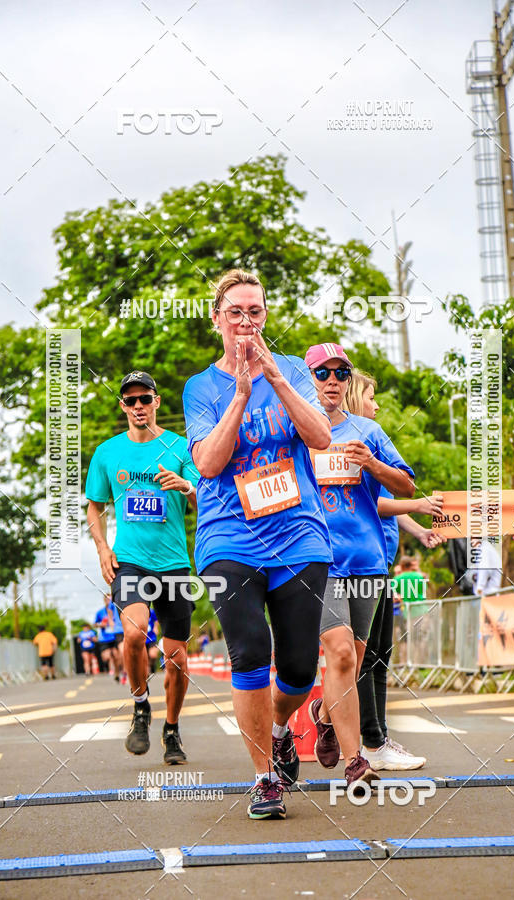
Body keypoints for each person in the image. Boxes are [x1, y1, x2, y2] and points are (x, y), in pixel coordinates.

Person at [183, 269, 333, 821]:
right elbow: (208, 463)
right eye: (235, 312)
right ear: (217, 319)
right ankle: (264, 778)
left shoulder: (291, 368)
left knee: (298, 666)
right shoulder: (201, 387)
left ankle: (280, 728)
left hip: (298, 533)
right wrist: (242, 394)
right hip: (229, 536)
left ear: (265, 316)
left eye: (255, 311)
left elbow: (320, 437)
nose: (246, 321)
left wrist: (274, 378)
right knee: (249, 651)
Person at [304, 343, 415, 782]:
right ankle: (357, 762)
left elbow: (406, 486)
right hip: (317, 560)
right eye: (322, 373)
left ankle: (323, 714)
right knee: (340, 651)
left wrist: (372, 464)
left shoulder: (367, 430)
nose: (332, 381)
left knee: (354, 659)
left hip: (367, 560)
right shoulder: (294, 431)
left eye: (340, 374)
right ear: (309, 380)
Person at [86, 370, 200, 765]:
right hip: (130, 562)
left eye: (145, 399)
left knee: (177, 658)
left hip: (174, 564)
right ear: (123, 406)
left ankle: (172, 729)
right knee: (134, 633)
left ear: (157, 402)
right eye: (131, 400)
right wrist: (102, 548)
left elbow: (204, 498)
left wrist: (185, 486)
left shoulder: (180, 448)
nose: (138, 406)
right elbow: (95, 507)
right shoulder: (107, 452)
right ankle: (140, 706)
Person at [347, 369, 444, 770]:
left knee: (380, 654)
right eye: (371, 396)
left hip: (380, 558)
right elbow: (374, 504)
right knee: (366, 655)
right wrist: (418, 504)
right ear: (355, 397)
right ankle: (371, 739)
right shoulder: (348, 442)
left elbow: (388, 502)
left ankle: (376, 736)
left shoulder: (370, 442)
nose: (376, 405)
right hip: (355, 564)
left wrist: (419, 530)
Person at [94, 594, 123, 679]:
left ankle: (116, 672)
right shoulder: (100, 612)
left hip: (114, 637)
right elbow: (94, 624)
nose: (108, 601)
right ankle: (113, 669)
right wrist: (101, 625)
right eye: (107, 599)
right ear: (104, 601)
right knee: (107, 656)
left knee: (116, 656)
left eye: (110, 599)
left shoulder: (116, 610)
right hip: (104, 638)